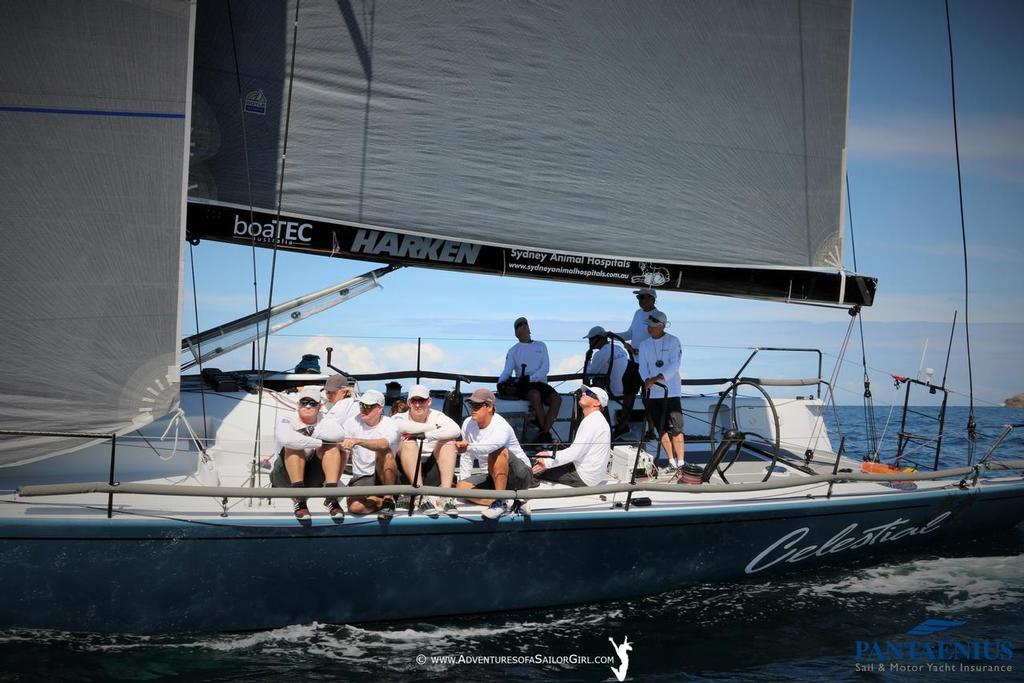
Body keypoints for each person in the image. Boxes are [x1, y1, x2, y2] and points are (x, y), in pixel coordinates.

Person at [455, 388, 533, 519]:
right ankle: (508, 502)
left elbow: (489, 448)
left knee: (497, 451)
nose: (473, 408)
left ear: (490, 407)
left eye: (478, 405)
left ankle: (500, 501)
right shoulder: (468, 423)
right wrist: (465, 478)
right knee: (461, 488)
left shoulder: (501, 425)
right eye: (471, 404)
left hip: (521, 476)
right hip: (492, 477)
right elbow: (467, 457)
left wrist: (467, 447)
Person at [274, 385, 347, 520]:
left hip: (312, 477)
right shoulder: (288, 418)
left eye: (312, 404)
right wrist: (319, 441)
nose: (307, 407)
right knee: (293, 446)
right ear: (298, 405)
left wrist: (310, 433)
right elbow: (286, 438)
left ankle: (331, 497)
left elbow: (339, 434)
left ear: (319, 407)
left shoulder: (326, 419)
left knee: (334, 448)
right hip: (284, 478)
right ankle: (300, 500)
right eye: (304, 402)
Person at [392, 384, 462, 517]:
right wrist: (433, 427)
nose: (418, 405)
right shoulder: (398, 417)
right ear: (408, 403)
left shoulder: (438, 416)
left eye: (422, 400)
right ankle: (420, 496)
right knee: (408, 442)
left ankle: (446, 495)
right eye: (414, 401)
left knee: (449, 442)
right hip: (406, 477)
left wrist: (427, 435)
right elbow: (400, 426)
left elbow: (456, 430)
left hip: (431, 473)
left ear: (429, 401)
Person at [497, 316, 562, 443]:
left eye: (525, 323)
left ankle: (543, 433)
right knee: (535, 395)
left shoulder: (541, 346)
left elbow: (545, 368)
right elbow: (507, 371)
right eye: (520, 324)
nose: (524, 325)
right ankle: (546, 434)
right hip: (524, 385)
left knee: (557, 399)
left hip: (540, 382)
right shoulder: (513, 351)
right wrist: (500, 383)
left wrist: (531, 378)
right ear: (516, 332)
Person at [533, 385, 611, 487]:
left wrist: (546, 462)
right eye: (584, 392)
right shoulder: (597, 419)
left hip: (582, 476)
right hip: (593, 476)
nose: (583, 393)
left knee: (535, 467)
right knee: (543, 458)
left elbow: (574, 453)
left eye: (589, 393)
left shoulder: (592, 421)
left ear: (598, 403)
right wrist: (548, 453)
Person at [612, 288, 664, 439]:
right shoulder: (637, 313)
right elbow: (630, 334)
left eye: (642, 297)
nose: (640, 300)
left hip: (648, 365)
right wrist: (612, 335)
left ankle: (651, 430)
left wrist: (638, 351)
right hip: (634, 363)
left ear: (652, 299)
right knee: (628, 392)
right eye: (639, 298)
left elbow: (656, 340)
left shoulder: (657, 317)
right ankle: (623, 425)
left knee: (648, 397)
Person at [341, 389, 401, 520]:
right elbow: (343, 453)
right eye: (361, 405)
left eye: (368, 406)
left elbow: (383, 444)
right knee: (355, 508)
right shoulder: (351, 422)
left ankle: (389, 498)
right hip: (362, 477)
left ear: (380, 409)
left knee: (383, 451)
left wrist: (357, 441)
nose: (363, 409)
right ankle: (381, 501)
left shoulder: (390, 424)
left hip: (385, 477)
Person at [636, 310, 685, 471]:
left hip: (671, 391)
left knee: (676, 428)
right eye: (649, 325)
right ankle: (671, 461)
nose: (650, 328)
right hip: (653, 392)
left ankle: (681, 462)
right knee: (661, 427)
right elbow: (642, 367)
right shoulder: (644, 345)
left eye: (653, 325)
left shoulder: (673, 341)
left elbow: (675, 364)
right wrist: (647, 381)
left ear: (662, 326)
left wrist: (657, 378)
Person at [583, 326, 627, 398]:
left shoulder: (599, 354)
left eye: (591, 339)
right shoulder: (619, 348)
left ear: (599, 338)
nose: (589, 342)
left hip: (612, 392)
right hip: (626, 391)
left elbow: (589, 375)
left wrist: (587, 360)